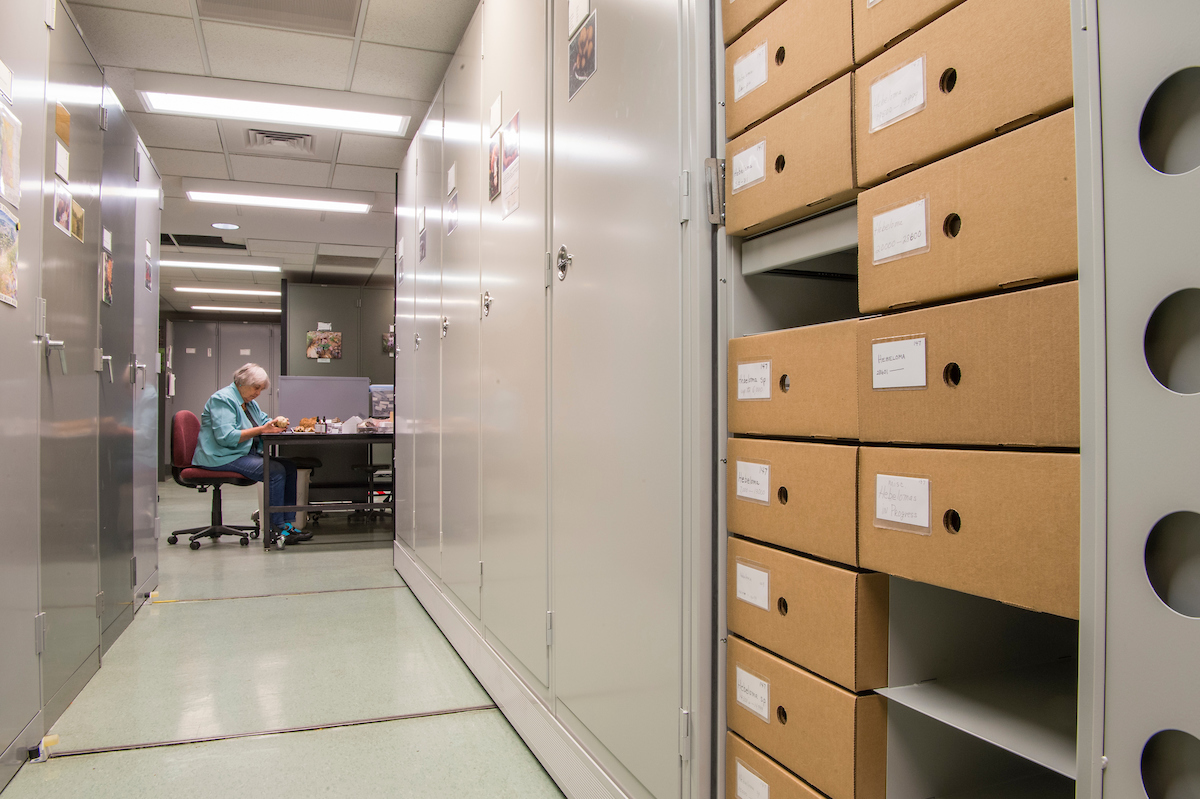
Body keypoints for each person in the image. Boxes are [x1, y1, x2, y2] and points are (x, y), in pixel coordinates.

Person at [192, 363, 312, 544]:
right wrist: (262, 429)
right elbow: (226, 437)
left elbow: (263, 422)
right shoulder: (223, 400)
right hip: (221, 456)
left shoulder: (249, 403)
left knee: (289, 467)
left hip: (241, 454)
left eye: (261, 389)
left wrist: (276, 423)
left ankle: (286, 523)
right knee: (275, 471)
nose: (258, 393)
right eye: (256, 388)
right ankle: (276, 528)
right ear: (242, 383)